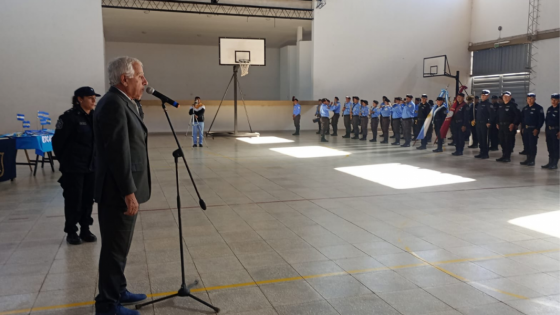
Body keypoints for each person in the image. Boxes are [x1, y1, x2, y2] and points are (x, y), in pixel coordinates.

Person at [94, 56, 151, 315]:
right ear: (124, 79)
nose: (145, 81)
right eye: (140, 77)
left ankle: (118, 289)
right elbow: (118, 153)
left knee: (120, 245)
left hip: (121, 188)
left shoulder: (124, 102)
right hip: (117, 191)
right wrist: (129, 192)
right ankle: (107, 304)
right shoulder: (113, 105)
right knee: (114, 249)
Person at [52, 87, 99, 245]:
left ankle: (85, 228)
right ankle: (71, 231)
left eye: (94, 97)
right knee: (74, 200)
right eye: (90, 97)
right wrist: (66, 163)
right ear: (79, 99)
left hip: (91, 167)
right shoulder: (68, 118)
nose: (94, 101)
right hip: (74, 168)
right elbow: (58, 143)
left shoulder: (95, 117)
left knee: (88, 199)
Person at [519, 93, 545, 166]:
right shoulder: (525, 108)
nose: (530, 100)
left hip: (533, 129)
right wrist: (523, 128)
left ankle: (532, 160)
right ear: (527, 99)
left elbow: (541, 120)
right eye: (528, 99)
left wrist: (537, 128)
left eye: (532, 99)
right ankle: (528, 159)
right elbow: (522, 119)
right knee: (526, 145)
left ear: (535, 99)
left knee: (532, 145)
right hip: (526, 129)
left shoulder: (538, 108)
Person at [495, 91, 521, 163]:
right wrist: (497, 123)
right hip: (501, 126)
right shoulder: (500, 105)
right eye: (504, 96)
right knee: (502, 141)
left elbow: (517, 116)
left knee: (508, 142)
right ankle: (503, 155)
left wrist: (513, 123)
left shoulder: (513, 105)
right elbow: (498, 115)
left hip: (509, 126)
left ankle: (507, 156)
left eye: (507, 96)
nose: (505, 98)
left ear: (510, 97)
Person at [474, 90, 493, 159]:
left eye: (484, 95)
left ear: (488, 96)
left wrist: (489, 122)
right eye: (482, 95)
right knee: (480, 139)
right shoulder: (479, 104)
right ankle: (481, 152)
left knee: (485, 139)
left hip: (484, 124)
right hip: (478, 123)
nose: (483, 96)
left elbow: (491, 114)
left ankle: (485, 153)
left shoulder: (488, 104)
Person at [542, 93, 560, 169]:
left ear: (559, 100)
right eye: (552, 99)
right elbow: (547, 121)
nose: (553, 101)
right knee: (550, 147)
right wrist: (546, 130)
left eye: (555, 100)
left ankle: (555, 163)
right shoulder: (550, 109)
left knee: (556, 147)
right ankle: (550, 162)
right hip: (549, 131)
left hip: (556, 131)